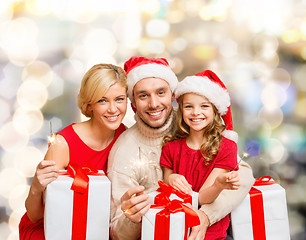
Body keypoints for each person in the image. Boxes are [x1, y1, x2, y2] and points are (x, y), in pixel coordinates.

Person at [107, 56, 255, 240]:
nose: (154, 104)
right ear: (133, 103)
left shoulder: (193, 121)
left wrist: (206, 216)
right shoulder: (125, 150)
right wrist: (133, 219)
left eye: (161, 92)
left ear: (172, 94)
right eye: (143, 95)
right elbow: (117, 232)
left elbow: (243, 174)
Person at [19, 63, 128, 240]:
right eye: (102, 100)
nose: (113, 109)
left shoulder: (125, 136)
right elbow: (35, 216)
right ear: (89, 104)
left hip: (96, 226)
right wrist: (36, 188)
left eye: (119, 99)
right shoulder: (63, 144)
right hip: (55, 228)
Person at [161, 70, 240, 240]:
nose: (196, 112)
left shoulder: (226, 148)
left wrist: (218, 185)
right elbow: (165, 179)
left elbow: (203, 198)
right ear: (181, 110)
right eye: (189, 106)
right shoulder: (171, 147)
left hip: (211, 234)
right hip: (174, 229)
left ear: (215, 110)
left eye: (204, 106)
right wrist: (172, 177)